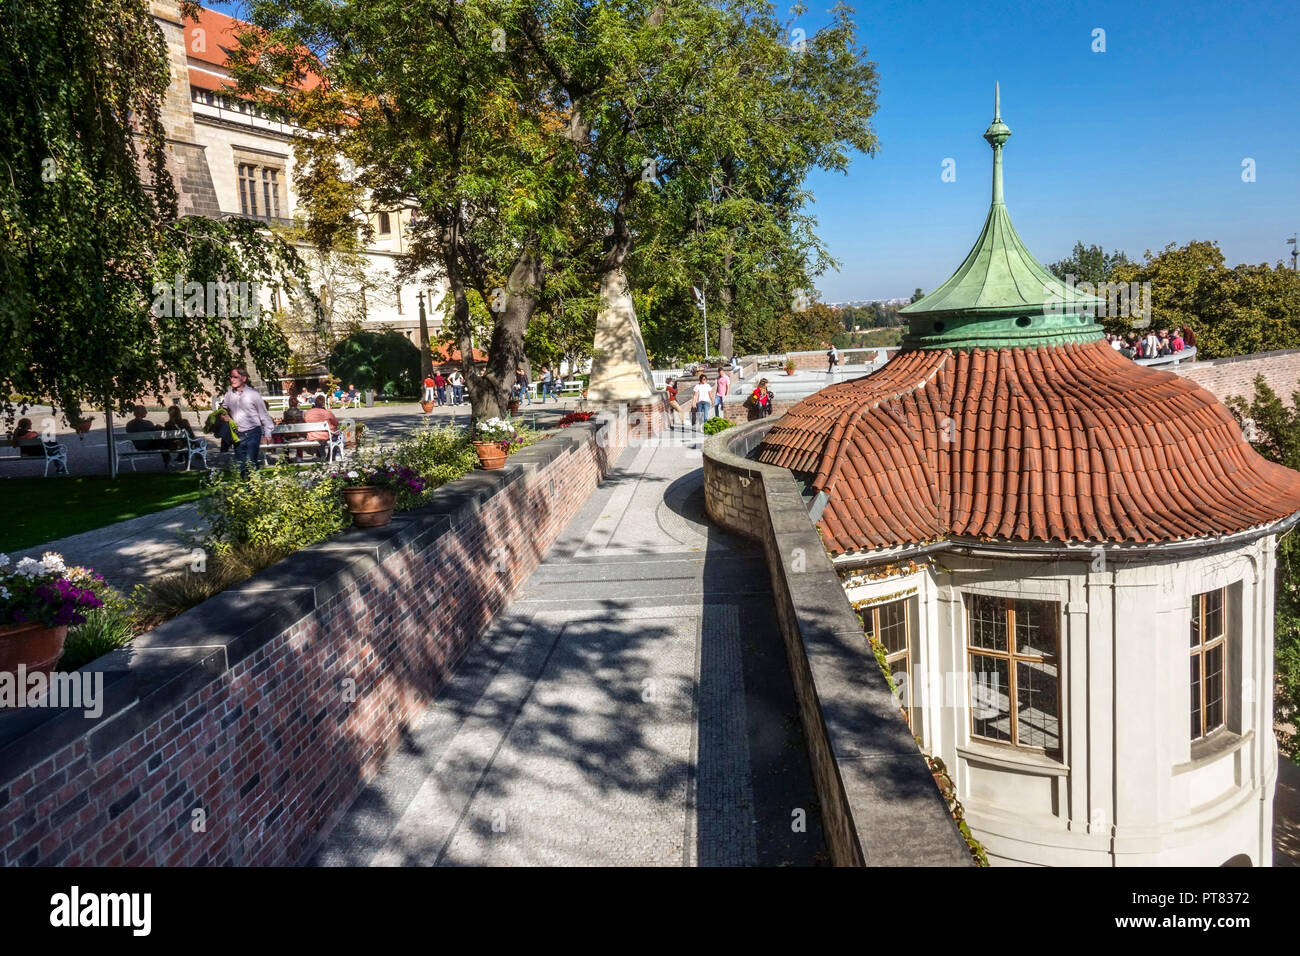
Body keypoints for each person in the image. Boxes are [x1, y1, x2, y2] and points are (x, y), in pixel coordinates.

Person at [221, 367, 276, 477]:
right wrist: (223, 416)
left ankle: (255, 489)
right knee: (242, 465)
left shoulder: (253, 394)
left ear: (244, 378)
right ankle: (246, 489)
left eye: (235, 377)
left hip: (253, 433)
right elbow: (223, 411)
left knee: (250, 462)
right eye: (231, 377)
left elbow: (263, 414)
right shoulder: (228, 395)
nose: (232, 380)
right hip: (237, 434)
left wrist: (268, 432)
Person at [303, 395, 340, 460]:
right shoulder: (327, 412)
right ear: (323, 403)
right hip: (326, 436)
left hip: (312, 435)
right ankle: (331, 455)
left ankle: (322, 455)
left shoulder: (308, 413)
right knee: (336, 434)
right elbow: (336, 423)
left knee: (323, 434)